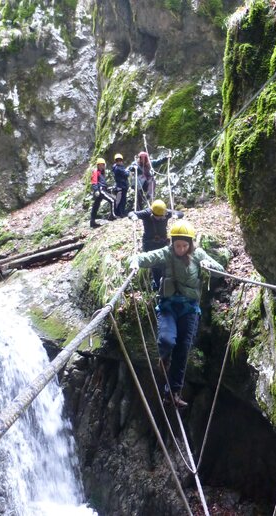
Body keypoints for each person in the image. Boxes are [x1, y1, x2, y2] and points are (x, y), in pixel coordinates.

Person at [129, 220, 225, 408]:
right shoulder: (167, 253)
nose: (180, 249)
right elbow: (146, 258)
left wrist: (208, 265)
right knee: (167, 341)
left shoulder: (198, 255)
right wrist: (134, 261)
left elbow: (221, 272)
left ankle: (172, 393)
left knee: (182, 351)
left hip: (190, 310)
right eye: (177, 245)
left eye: (184, 245)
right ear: (172, 242)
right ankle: (164, 357)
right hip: (168, 307)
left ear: (190, 244)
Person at [127, 199, 183, 289]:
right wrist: (133, 217)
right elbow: (131, 213)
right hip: (149, 244)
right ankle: (158, 285)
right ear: (152, 213)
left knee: (165, 263)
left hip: (163, 243)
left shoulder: (166, 213)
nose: (161, 218)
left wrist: (176, 215)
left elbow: (180, 213)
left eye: (162, 217)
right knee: (156, 265)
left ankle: (165, 283)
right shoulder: (146, 213)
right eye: (158, 217)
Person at [90, 158, 116, 228]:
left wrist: (107, 189)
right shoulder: (96, 172)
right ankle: (113, 216)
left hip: (102, 190)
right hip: (100, 191)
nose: (102, 166)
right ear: (98, 165)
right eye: (101, 165)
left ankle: (92, 222)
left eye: (103, 165)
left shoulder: (102, 173)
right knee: (113, 200)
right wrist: (96, 190)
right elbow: (94, 182)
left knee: (95, 206)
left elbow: (103, 183)